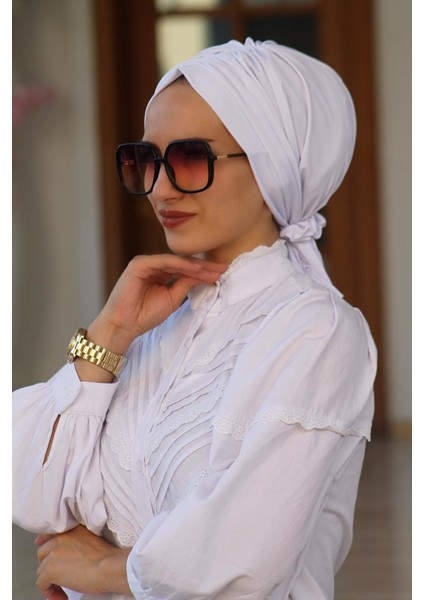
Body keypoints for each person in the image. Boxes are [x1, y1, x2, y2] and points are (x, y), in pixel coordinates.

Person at [12, 38, 377, 600]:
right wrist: (109, 334)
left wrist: (105, 567)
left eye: (190, 157)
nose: (159, 188)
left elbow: (241, 561)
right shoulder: (150, 327)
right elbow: (29, 491)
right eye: (146, 160)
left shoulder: (318, 332)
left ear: (273, 163)